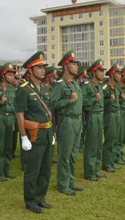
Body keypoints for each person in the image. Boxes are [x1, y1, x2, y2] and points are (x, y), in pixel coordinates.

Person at [15, 52, 54, 213]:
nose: (43, 70)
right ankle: (30, 201)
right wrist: (23, 137)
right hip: (34, 135)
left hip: (46, 132)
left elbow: (49, 112)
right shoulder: (24, 90)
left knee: (46, 168)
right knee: (33, 170)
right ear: (30, 70)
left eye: (43, 67)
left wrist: (52, 133)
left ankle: (40, 198)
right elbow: (20, 114)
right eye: (39, 67)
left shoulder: (45, 89)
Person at [51, 50, 84, 196]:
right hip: (66, 122)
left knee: (73, 154)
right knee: (64, 154)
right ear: (66, 66)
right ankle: (63, 184)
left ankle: (70, 181)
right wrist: (68, 100)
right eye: (73, 64)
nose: (76, 66)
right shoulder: (60, 84)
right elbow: (52, 103)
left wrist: (81, 122)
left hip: (76, 121)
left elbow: (80, 105)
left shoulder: (75, 84)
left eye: (76, 64)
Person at [82, 59, 107, 181]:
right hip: (91, 116)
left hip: (99, 115)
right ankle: (89, 171)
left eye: (103, 71)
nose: (103, 73)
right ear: (93, 72)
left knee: (98, 144)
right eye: (100, 71)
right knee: (91, 144)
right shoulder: (86, 86)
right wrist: (93, 99)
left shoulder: (100, 86)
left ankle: (96, 169)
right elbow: (81, 102)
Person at [102, 63, 122, 173]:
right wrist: (109, 100)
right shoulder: (105, 87)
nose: (120, 76)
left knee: (115, 139)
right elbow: (101, 103)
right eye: (118, 74)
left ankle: (111, 161)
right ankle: (106, 163)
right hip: (109, 115)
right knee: (109, 140)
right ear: (112, 75)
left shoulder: (116, 88)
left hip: (117, 113)